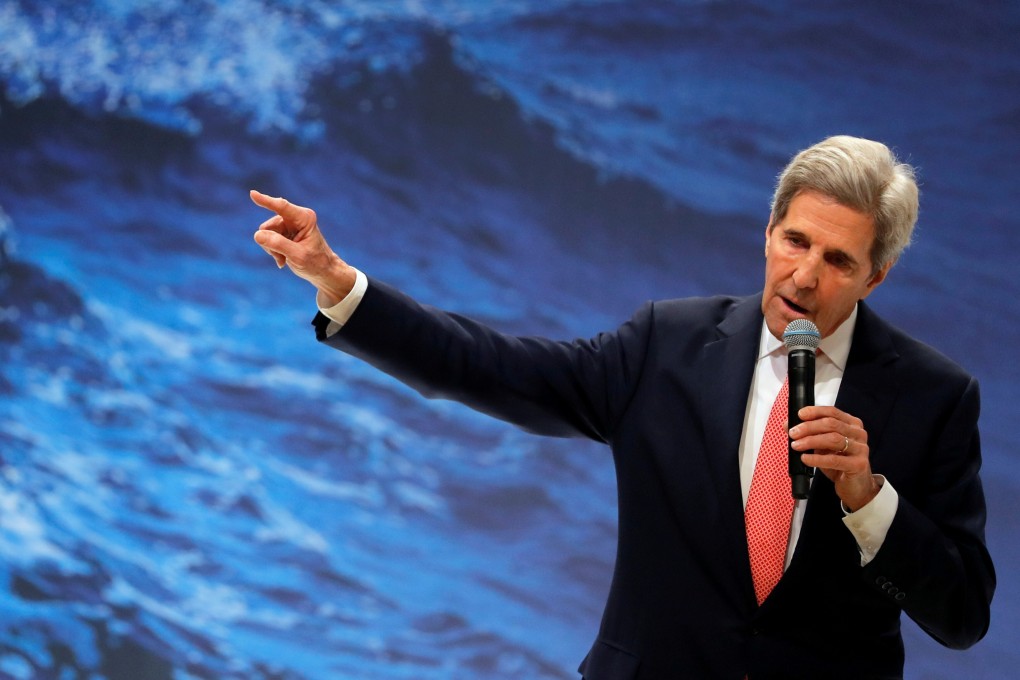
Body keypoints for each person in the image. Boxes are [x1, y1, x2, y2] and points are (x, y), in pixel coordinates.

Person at [250, 136, 994, 679]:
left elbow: (961, 617)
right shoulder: (666, 345)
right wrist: (340, 283)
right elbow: (492, 369)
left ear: (877, 276)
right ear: (768, 233)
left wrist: (869, 502)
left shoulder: (932, 397)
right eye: (795, 241)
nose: (805, 275)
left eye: (837, 260)